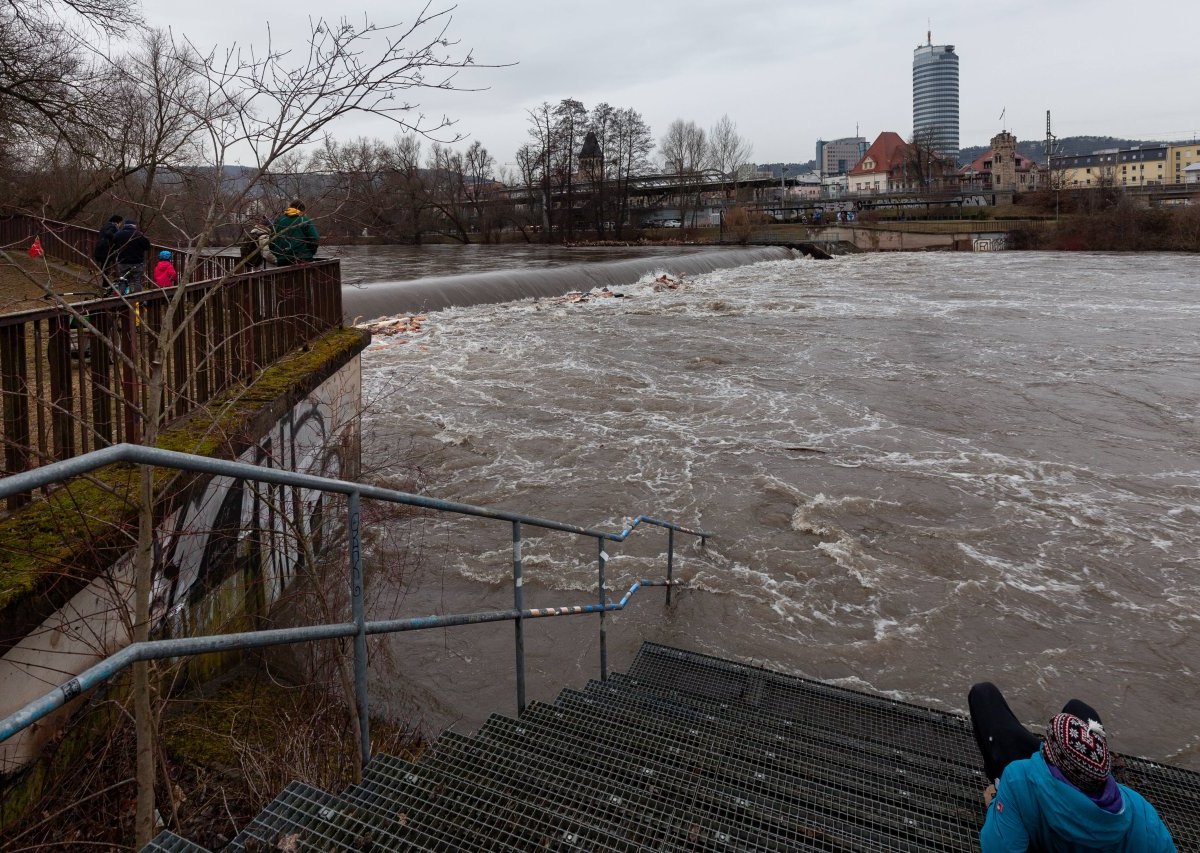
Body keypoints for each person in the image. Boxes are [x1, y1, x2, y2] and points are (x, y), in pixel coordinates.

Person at [968, 682, 1175, 852]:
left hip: (1034, 789)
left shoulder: (1017, 779)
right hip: (1084, 790)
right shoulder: (1140, 811)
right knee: (1079, 709)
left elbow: (998, 847)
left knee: (983, 694)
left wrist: (997, 801)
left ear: (1048, 752)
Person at [269, 200, 319, 265]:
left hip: (282, 259)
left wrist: (277, 254)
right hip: (302, 258)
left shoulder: (279, 220)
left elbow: (271, 241)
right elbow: (314, 238)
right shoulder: (304, 219)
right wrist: (310, 253)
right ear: (302, 210)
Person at [109, 219, 151, 293]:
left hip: (122, 261)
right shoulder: (139, 235)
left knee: (123, 279)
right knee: (136, 281)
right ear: (134, 226)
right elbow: (147, 247)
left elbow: (112, 245)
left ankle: (122, 297)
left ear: (125, 225)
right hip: (137, 261)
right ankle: (137, 299)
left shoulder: (118, 234)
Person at [93, 214, 123, 286]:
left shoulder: (105, 226)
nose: (120, 225)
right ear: (117, 222)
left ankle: (106, 283)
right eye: (120, 223)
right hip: (107, 250)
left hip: (100, 249)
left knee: (105, 266)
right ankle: (110, 283)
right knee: (112, 266)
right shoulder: (113, 227)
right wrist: (115, 239)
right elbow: (109, 234)